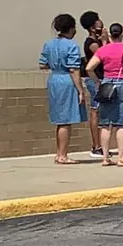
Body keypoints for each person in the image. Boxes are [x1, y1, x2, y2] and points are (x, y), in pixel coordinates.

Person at [85, 23, 123, 166]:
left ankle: (105, 158)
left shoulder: (103, 50)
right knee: (120, 124)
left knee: (105, 123)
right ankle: (121, 157)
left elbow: (89, 67)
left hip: (107, 84)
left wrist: (98, 81)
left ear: (110, 35)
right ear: (121, 35)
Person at [39, 14, 87, 165]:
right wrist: (80, 89)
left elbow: (42, 64)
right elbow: (74, 69)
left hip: (54, 79)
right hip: (66, 80)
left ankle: (59, 152)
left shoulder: (48, 44)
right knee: (66, 120)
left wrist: (55, 64)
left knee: (60, 119)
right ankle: (63, 155)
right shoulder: (72, 45)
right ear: (71, 28)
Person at [79, 11, 107, 157]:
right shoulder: (92, 43)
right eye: (97, 20)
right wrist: (104, 41)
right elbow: (105, 56)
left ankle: (101, 145)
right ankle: (96, 146)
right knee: (95, 110)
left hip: (101, 79)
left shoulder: (96, 41)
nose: (101, 22)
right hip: (95, 79)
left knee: (101, 112)